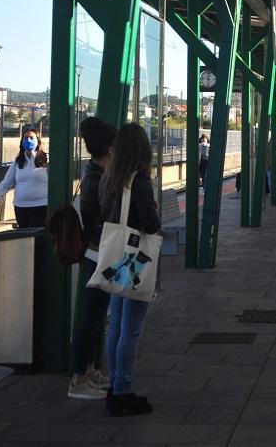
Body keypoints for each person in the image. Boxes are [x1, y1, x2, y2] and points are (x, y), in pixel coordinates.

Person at [100, 123, 161, 416]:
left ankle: (114, 386)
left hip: (116, 259)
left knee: (117, 326)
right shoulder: (139, 181)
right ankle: (123, 390)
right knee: (131, 330)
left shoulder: (111, 178)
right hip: (135, 260)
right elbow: (151, 224)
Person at [68, 117, 116, 400]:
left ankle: (89, 370)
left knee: (96, 317)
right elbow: (99, 219)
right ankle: (78, 379)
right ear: (110, 148)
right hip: (99, 254)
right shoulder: (98, 180)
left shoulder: (94, 176)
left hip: (98, 253)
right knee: (91, 319)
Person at [0, 127, 49, 227]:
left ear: (38, 141)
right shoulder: (18, 161)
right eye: (25, 138)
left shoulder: (45, 161)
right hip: (21, 207)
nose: (28, 140)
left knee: (37, 237)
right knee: (25, 237)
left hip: (41, 206)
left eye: (31, 138)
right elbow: (7, 181)